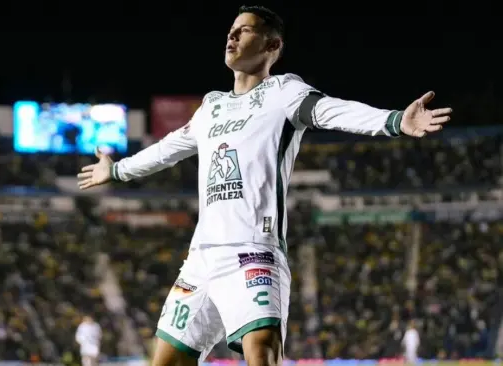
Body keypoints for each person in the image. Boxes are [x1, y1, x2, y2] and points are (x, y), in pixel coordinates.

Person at [76, 6, 452, 366]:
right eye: (231, 30)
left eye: (245, 30)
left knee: (261, 355)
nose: (232, 35)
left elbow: (330, 110)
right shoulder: (212, 107)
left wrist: (395, 120)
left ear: (273, 46)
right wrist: (118, 170)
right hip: (200, 261)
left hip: (253, 252)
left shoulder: (284, 93)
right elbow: (169, 148)